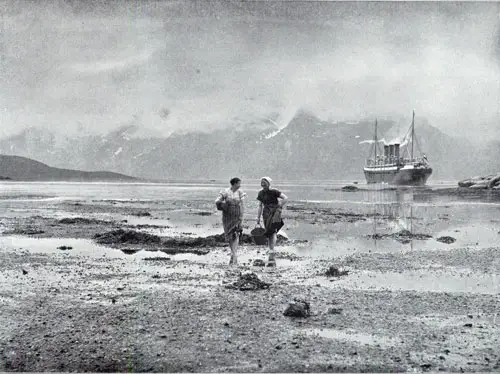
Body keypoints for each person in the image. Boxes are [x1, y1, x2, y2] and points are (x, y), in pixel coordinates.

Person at [256, 177, 288, 267]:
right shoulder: (261, 193)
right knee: (268, 230)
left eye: (265, 182)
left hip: (275, 212)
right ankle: (271, 248)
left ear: (269, 183)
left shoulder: (274, 191)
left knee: (273, 230)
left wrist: (279, 205)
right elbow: (260, 206)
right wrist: (258, 218)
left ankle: (272, 249)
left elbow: (285, 198)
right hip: (266, 213)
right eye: (261, 182)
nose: (263, 184)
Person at [215, 177, 246, 265]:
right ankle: (232, 251)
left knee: (236, 233)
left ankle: (234, 252)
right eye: (239, 183)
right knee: (229, 233)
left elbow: (242, 205)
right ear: (235, 183)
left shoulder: (240, 192)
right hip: (227, 215)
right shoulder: (226, 191)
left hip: (237, 213)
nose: (240, 185)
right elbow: (218, 200)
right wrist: (220, 203)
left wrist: (241, 216)